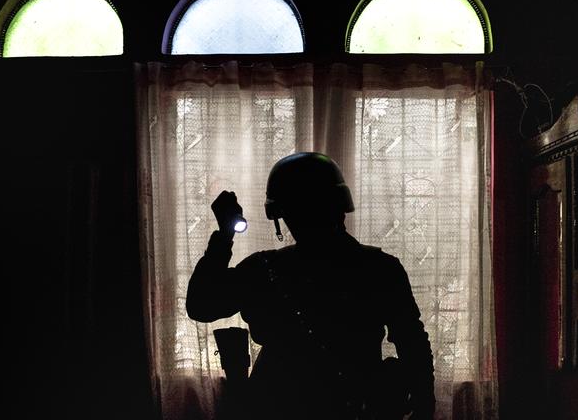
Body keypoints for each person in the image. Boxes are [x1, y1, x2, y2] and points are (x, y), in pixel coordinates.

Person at [186, 152, 435, 420]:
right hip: (352, 406)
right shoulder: (381, 268)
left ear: (284, 216)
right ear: (340, 208)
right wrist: (424, 407)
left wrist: (225, 234)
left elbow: (201, 304)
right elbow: (413, 345)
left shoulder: (264, 269)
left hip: (280, 406)